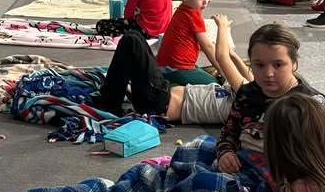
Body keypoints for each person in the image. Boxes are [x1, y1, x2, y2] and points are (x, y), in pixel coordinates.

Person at [216, 24, 325, 174]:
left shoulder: (312, 103)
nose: (268, 73)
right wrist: (226, 153)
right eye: (259, 65)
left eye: (278, 65)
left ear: (294, 63)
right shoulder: (246, 94)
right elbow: (228, 133)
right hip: (244, 168)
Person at [95, 13, 250, 120]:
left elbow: (221, 57)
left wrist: (222, 26)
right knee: (135, 37)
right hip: (160, 94)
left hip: (158, 103)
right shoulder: (250, 88)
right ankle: (110, 99)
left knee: (132, 41)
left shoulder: (247, 95)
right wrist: (234, 55)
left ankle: (109, 103)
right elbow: (250, 75)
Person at [155, 0, 219, 85]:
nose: (206, 2)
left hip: (166, 65)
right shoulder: (193, 14)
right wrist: (222, 69)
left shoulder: (183, 9)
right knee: (215, 83)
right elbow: (207, 47)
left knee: (204, 73)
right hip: (177, 68)